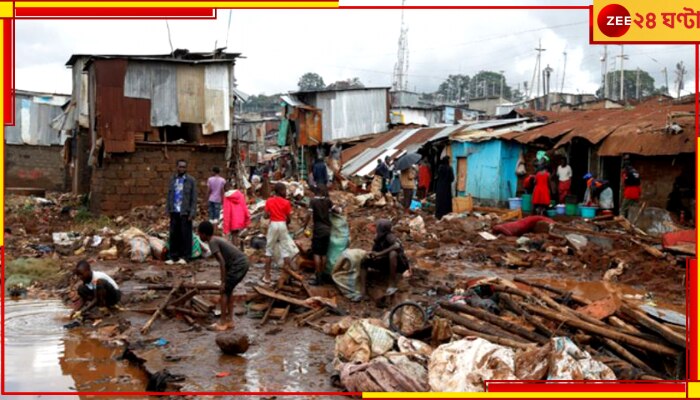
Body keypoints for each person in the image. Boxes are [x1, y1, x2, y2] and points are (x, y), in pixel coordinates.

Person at [197, 221, 250, 331]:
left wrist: (223, 281)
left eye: (199, 234)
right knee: (228, 291)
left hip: (239, 264)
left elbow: (222, 262)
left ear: (204, 234)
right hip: (242, 262)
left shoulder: (212, 242)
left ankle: (222, 322)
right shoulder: (215, 239)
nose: (199, 236)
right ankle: (229, 320)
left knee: (224, 291)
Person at [359, 219, 412, 297]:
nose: (376, 228)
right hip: (385, 263)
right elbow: (375, 252)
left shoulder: (389, 236)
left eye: (378, 226)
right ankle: (362, 291)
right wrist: (372, 254)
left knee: (393, 254)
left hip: (399, 265)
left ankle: (392, 284)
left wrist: (379, 254)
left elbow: (396, 246)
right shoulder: (378, 237)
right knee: (364, 261)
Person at [303, 184, 337, 285]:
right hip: (328, 230)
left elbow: (309, 215)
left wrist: (305, 226)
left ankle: (318, 277)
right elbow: (337, 210)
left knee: (317, 254)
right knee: (324, 254)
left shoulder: (313, 201)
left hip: (318, 230)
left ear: (315, 192)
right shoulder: (328, 201)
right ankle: (322, 275)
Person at [166, 159, 197, 265]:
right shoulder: (173, 179)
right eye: (180, 166)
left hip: (185, 212)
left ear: (186, 168)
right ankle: (173, 256)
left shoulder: (191, 180)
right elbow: (169, 195)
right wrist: (168, 209)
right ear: (177, 167)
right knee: (174, 234)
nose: (182, 168)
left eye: (184, 167)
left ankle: (186, 257)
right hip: (174, 211)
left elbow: (194, 198)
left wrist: (192, 212)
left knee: (186, 235)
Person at [263, 183, 296, 284]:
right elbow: (289, 218)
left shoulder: (269, 201)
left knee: (269, 250)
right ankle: (285, 275)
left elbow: (265, 216)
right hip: (282, 224)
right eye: (285, 190)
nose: (286, 192)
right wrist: (286, 223)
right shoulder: (286, 202)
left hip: (273, 224)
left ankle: (267, 276)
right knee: (285, 249)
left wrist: (269, 214)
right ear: (281, 191)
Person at [223, 183, 251, 248]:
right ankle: (238, 248)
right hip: (240, 218)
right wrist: (247, 219)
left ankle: (235, 250)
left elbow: (226, 212)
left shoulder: (226, 197)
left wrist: (226, 227)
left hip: (233, 219)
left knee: (234, 235)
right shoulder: (240, 195)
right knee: (237, 234)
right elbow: (244, 207)